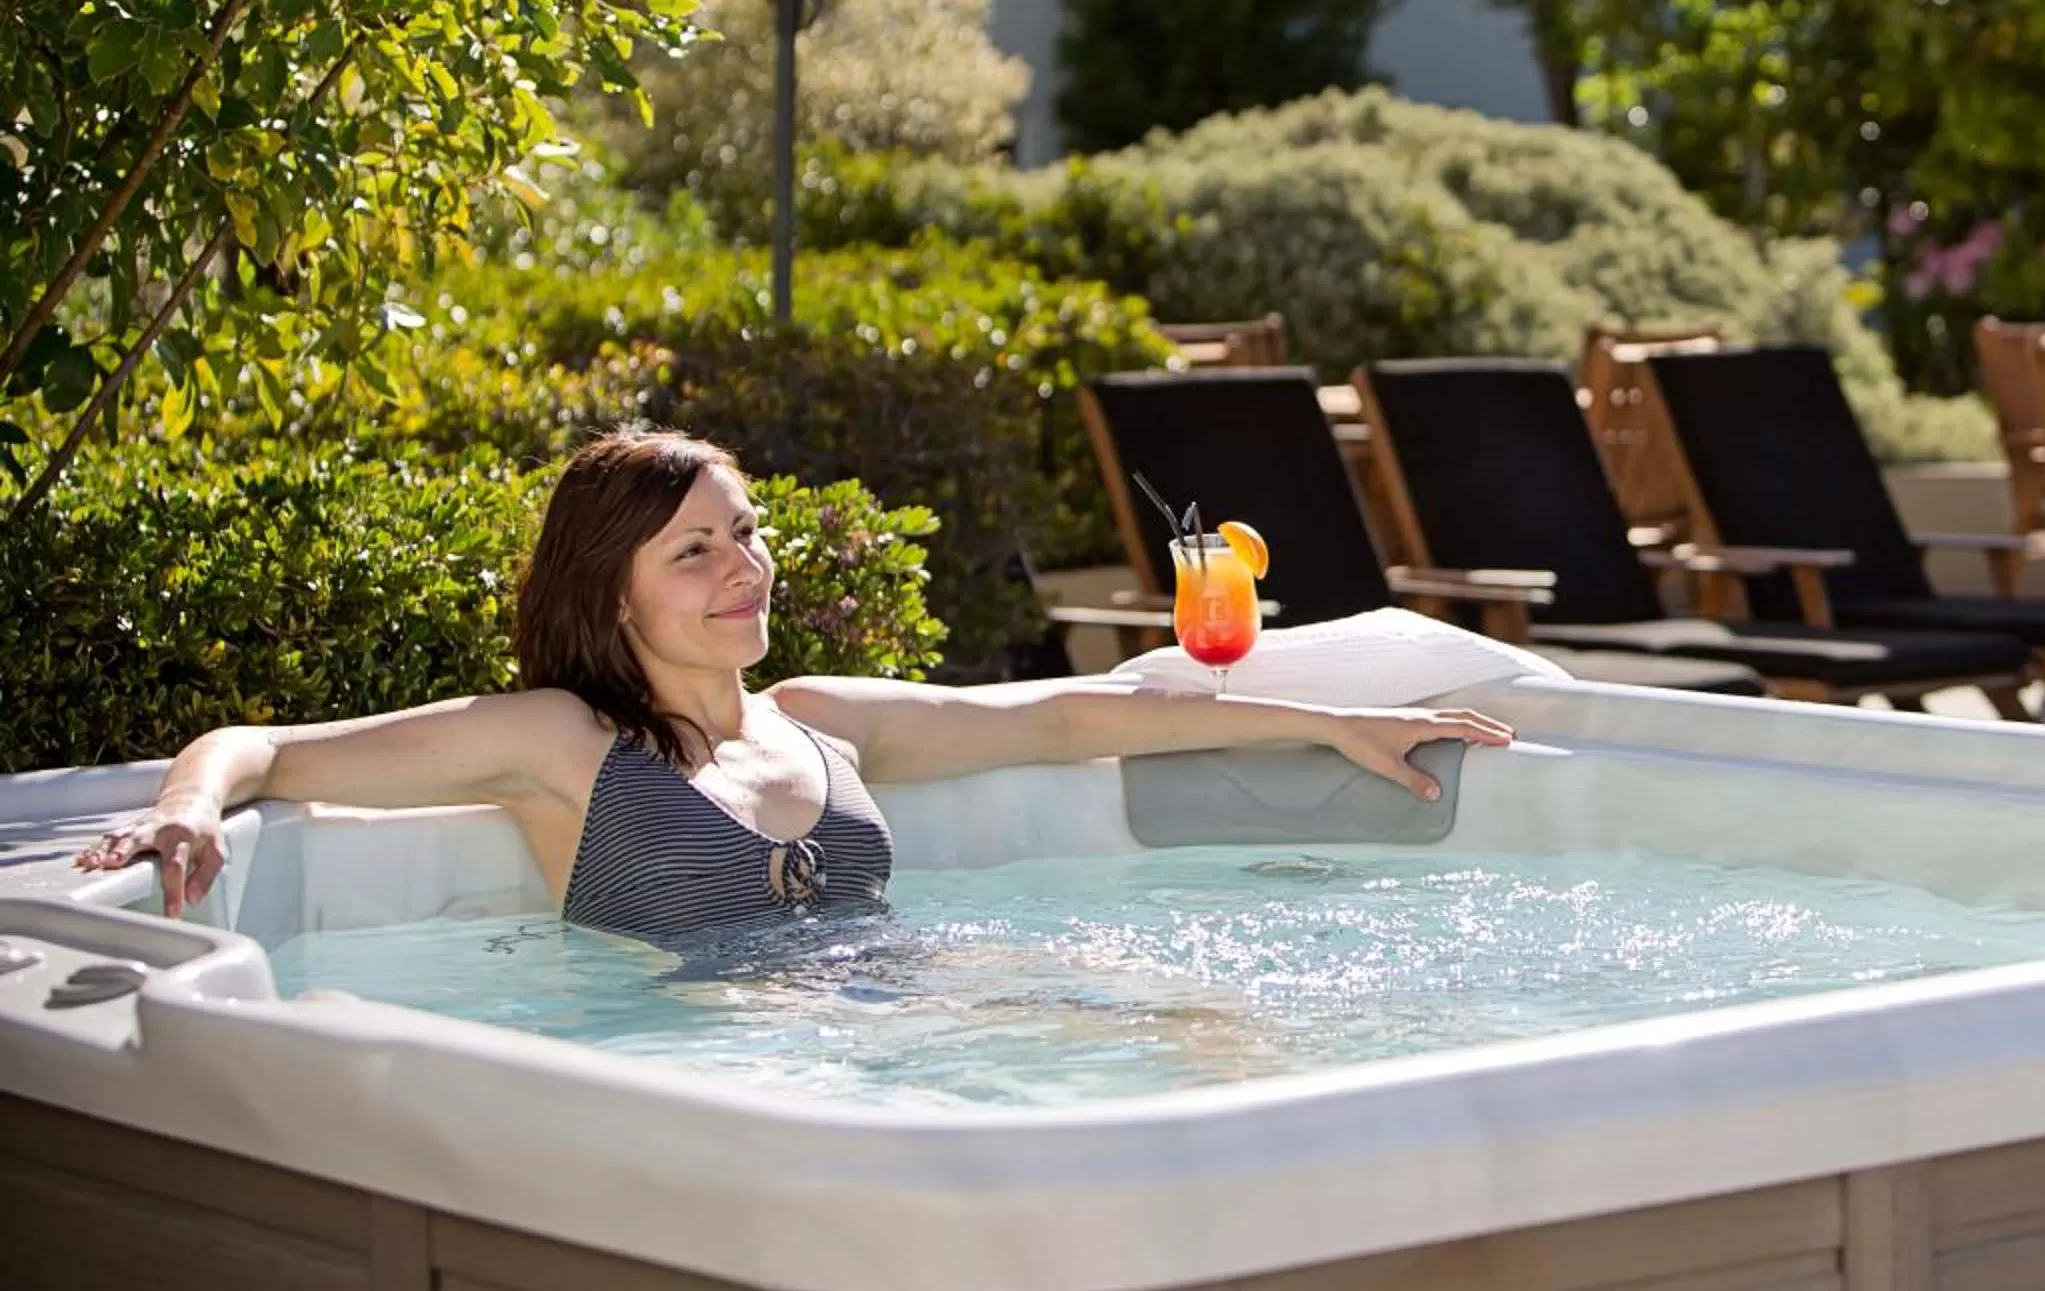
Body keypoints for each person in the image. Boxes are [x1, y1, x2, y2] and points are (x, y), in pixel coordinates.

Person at [77, 425, 1512, 943]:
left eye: (748, 536)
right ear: (612, 590)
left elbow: (1074, 716)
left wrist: (1338, 717)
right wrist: (186, 813)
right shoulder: (562, 743)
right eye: (695, 550)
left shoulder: (822, 721)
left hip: (894, 1031)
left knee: (1225, 1043)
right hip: (733, 1078)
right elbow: (262, 745)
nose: (743, 568)